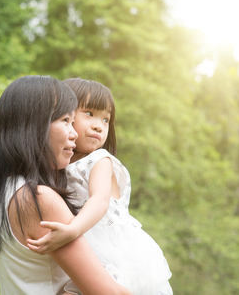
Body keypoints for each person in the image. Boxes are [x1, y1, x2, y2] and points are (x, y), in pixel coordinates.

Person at [0, 75, 132, 295]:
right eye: (65, 121)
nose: (74, 133)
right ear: (34, 125)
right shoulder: (37, 198)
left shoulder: (3, 190)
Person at [27, 78, 173, 295]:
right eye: (89, 113)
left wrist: (73, 230)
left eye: (106, 120)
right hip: (91, 253)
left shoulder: (99, 160)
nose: (99, 125)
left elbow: (100, 200)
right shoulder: (58, 165)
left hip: (118, 253)